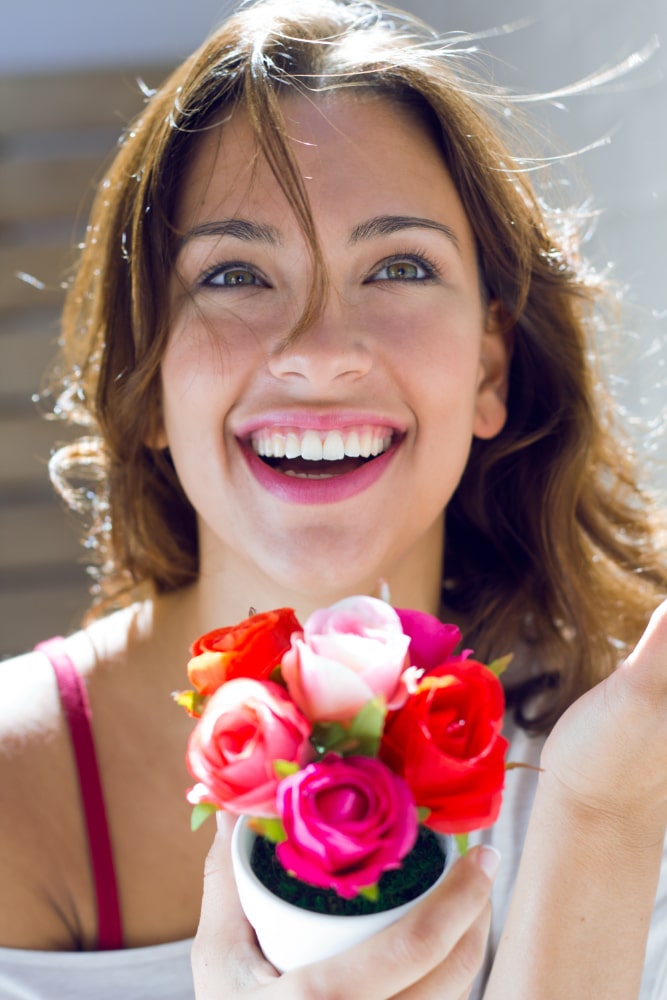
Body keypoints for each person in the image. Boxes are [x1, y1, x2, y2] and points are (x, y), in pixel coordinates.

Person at [1, 0, 666, 996]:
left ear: (489, 367)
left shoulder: (625, 748)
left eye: (397, 266)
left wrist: (596, 823)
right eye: (234, 273)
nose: (318, 353)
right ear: (145, 381)